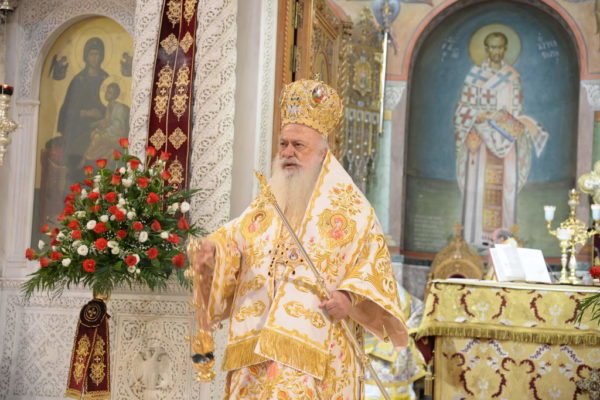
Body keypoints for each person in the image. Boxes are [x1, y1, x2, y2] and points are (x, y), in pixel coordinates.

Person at [190, 79, 408, 399]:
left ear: (322, 153)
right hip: (257, 341)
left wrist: (348, 298)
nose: (288, 152)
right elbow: (237, 238)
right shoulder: (269, 201)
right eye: (283, 144)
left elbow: (372, 266)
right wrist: (212, 250)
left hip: (316, 344)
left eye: (298, 145)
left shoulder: (352, 210)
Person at [454, 31, 548, 247]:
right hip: (480, 140)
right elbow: (461, 110)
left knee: (507, 185)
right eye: (492, 47)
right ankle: (475, 238)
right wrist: (479, 115)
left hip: (505, 141)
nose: (496, 52)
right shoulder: (475, 76)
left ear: (506, 49)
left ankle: (504, 240)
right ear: (486, 49)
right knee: (478, 187)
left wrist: (513, 122)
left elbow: (517, 111)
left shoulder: (512, 77)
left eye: (500, 47)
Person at [57, 37, 108, 184]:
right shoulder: (78, 80)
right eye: (92, 54)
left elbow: (113, 105)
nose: (95, 58)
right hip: (79, 126)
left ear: (102, 56)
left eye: (98, 54)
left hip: (100, 125)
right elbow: (67, 111)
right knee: (78, 143)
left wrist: (103, 117)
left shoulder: (107, 79)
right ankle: (74, 180)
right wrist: (86, 113)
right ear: (86, 56)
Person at [82, 82, 130, 163]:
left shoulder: (120, 108)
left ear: (115, 95)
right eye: (107, 91)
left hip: (117, 136)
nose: (106, 94)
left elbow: (118, 126)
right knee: (94, 134)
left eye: (109, 93)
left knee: (97, 137)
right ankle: (107, 154)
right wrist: (96, 124)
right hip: (110, 133)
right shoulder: (109, 106)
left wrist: (105, 131)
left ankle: (86, 158)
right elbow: (107, 120)